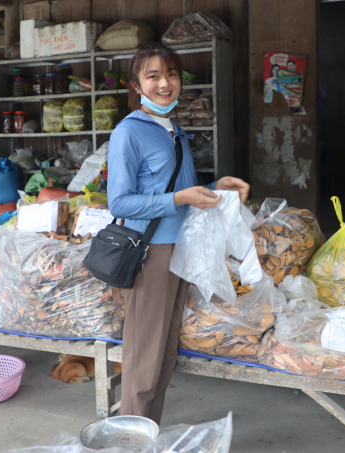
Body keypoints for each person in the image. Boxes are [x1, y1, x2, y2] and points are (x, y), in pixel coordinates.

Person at [107, 43, 250, 425]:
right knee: (144, 356)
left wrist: (219, 187)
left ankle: (148, 432)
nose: (164, 83)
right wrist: (179, 198)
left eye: (171, 74)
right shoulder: (129, 132)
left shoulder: (175, 130)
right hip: (150, 253)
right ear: (136, 85)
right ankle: (130, 441)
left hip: (181, 250)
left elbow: (183, 192)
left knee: (166, 352)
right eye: (152, 75)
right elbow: (119, 202)